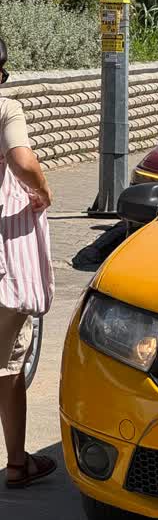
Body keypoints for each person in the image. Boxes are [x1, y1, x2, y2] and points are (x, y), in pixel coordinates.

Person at [0, 38, 56, 488]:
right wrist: (45, 191)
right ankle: (17, 463)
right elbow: (22, 161)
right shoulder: (6, 108)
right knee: (7, 363)